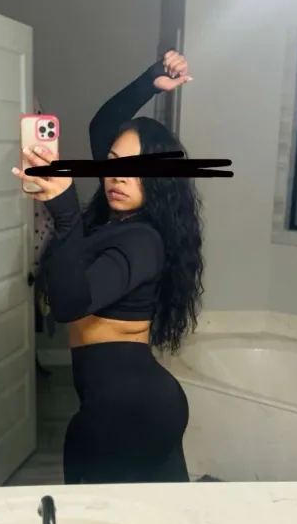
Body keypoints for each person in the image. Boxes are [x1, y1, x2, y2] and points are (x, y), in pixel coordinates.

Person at [12, 50, 204, 484]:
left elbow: (69, 304)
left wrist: (65, 214)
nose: (118, 175)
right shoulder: (112, 216)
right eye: (114, 163)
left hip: (131, 410)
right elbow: (103, 126)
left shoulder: (143, 240)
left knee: (97, 515)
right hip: (124, 403)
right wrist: (151, 79)